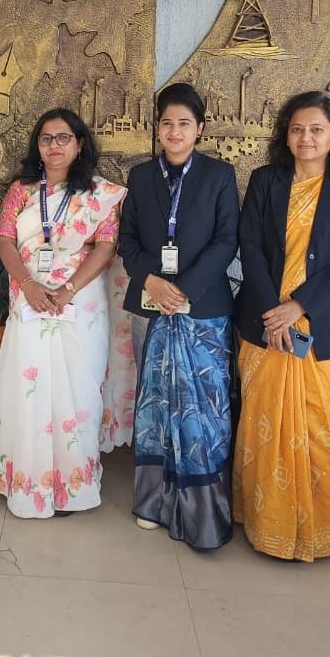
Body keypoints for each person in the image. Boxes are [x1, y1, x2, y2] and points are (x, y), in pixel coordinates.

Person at [233, 91, 330, 561]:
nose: (306, 138)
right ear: (286, 135)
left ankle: (322, 533)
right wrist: (273, 311)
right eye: (297, 129)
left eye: (317, 129)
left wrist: (299, 306)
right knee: (264, 428)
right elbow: (250, 247)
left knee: (325, 435)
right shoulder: (265, 181)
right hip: (264, 324)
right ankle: (267, 526)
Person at [0, 109, 126, 518]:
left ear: (79, 144)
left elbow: (106, 246)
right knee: (29, 388)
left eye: (64, 138)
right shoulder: (21, 190)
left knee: (79, 391)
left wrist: (67, 290)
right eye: (46, 139)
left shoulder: (99, 194)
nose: (54, 146)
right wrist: (29, 285)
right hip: (29, 298)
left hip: (80, 303)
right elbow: (5, 239)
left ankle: (73, 487)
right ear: (37, 146)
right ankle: (30, 485)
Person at [119, 83, 240, 548]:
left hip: (203, 308)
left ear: (200, 129)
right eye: (167, 123)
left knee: (203, 407)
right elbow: (128, 239)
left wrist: (185, 287)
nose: (175, 131)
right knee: (155, 404)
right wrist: (150, 280)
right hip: (151, 304)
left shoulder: (219, 175)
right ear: (157, 127)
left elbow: (226, 240)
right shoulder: (140, 176)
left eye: (184, 124)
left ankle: (203, 507)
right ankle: (153, 501)